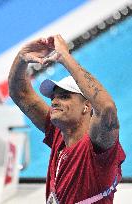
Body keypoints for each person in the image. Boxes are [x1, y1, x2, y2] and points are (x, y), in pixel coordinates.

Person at [8, 34, 126, 204]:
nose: (55, 101)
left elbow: (106, 108)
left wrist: (65, 58)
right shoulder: (58, 133)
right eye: (53, 98)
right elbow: (20, 93)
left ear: (86, 106)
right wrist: (21, 58)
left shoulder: (97, 150)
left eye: (64, 97)